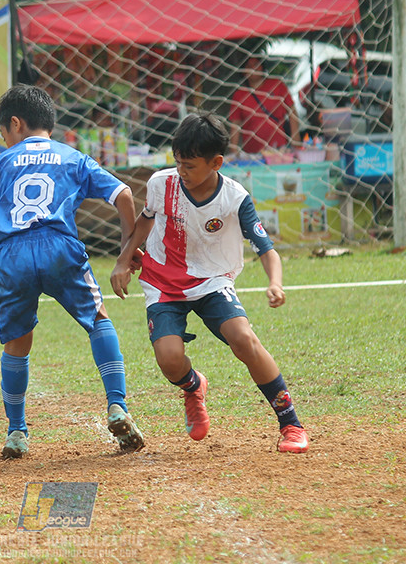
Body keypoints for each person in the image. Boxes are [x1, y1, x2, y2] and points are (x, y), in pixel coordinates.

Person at [110, 113, 309, 453]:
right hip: (163, 282)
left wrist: (275, 283)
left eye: (189, 166)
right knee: (169, 359)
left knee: (244, 339)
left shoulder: (234, 198)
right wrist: (123, 259)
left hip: (213, 280)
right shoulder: (162, 183)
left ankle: (291, 424)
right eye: (177, 164)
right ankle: (193, 385)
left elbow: (265, 248)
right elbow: (145, 222)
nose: (181, 173)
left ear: (216, 162)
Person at [0, 84, 145, 459]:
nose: (5, 141)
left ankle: (16, 432)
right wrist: (125, 252)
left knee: (17, 342)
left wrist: (3, 276)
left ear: (14, 124)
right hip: (58, 246)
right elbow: (124, 195)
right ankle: (117, 405)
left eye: (4, 134)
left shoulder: (1, 164)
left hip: (11, 254)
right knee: (98, 320)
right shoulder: (73, 157)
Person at [227, 55, 299, 157]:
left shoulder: (277, 85)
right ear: (243, 71)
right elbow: (235, 124)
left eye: (256, 64)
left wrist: (296, 141)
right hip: (252, 153)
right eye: (249, 66)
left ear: (262, 67)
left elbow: (292, 112)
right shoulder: (239, 94)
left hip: (279, 149)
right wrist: (234, 153)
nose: (253, 69)